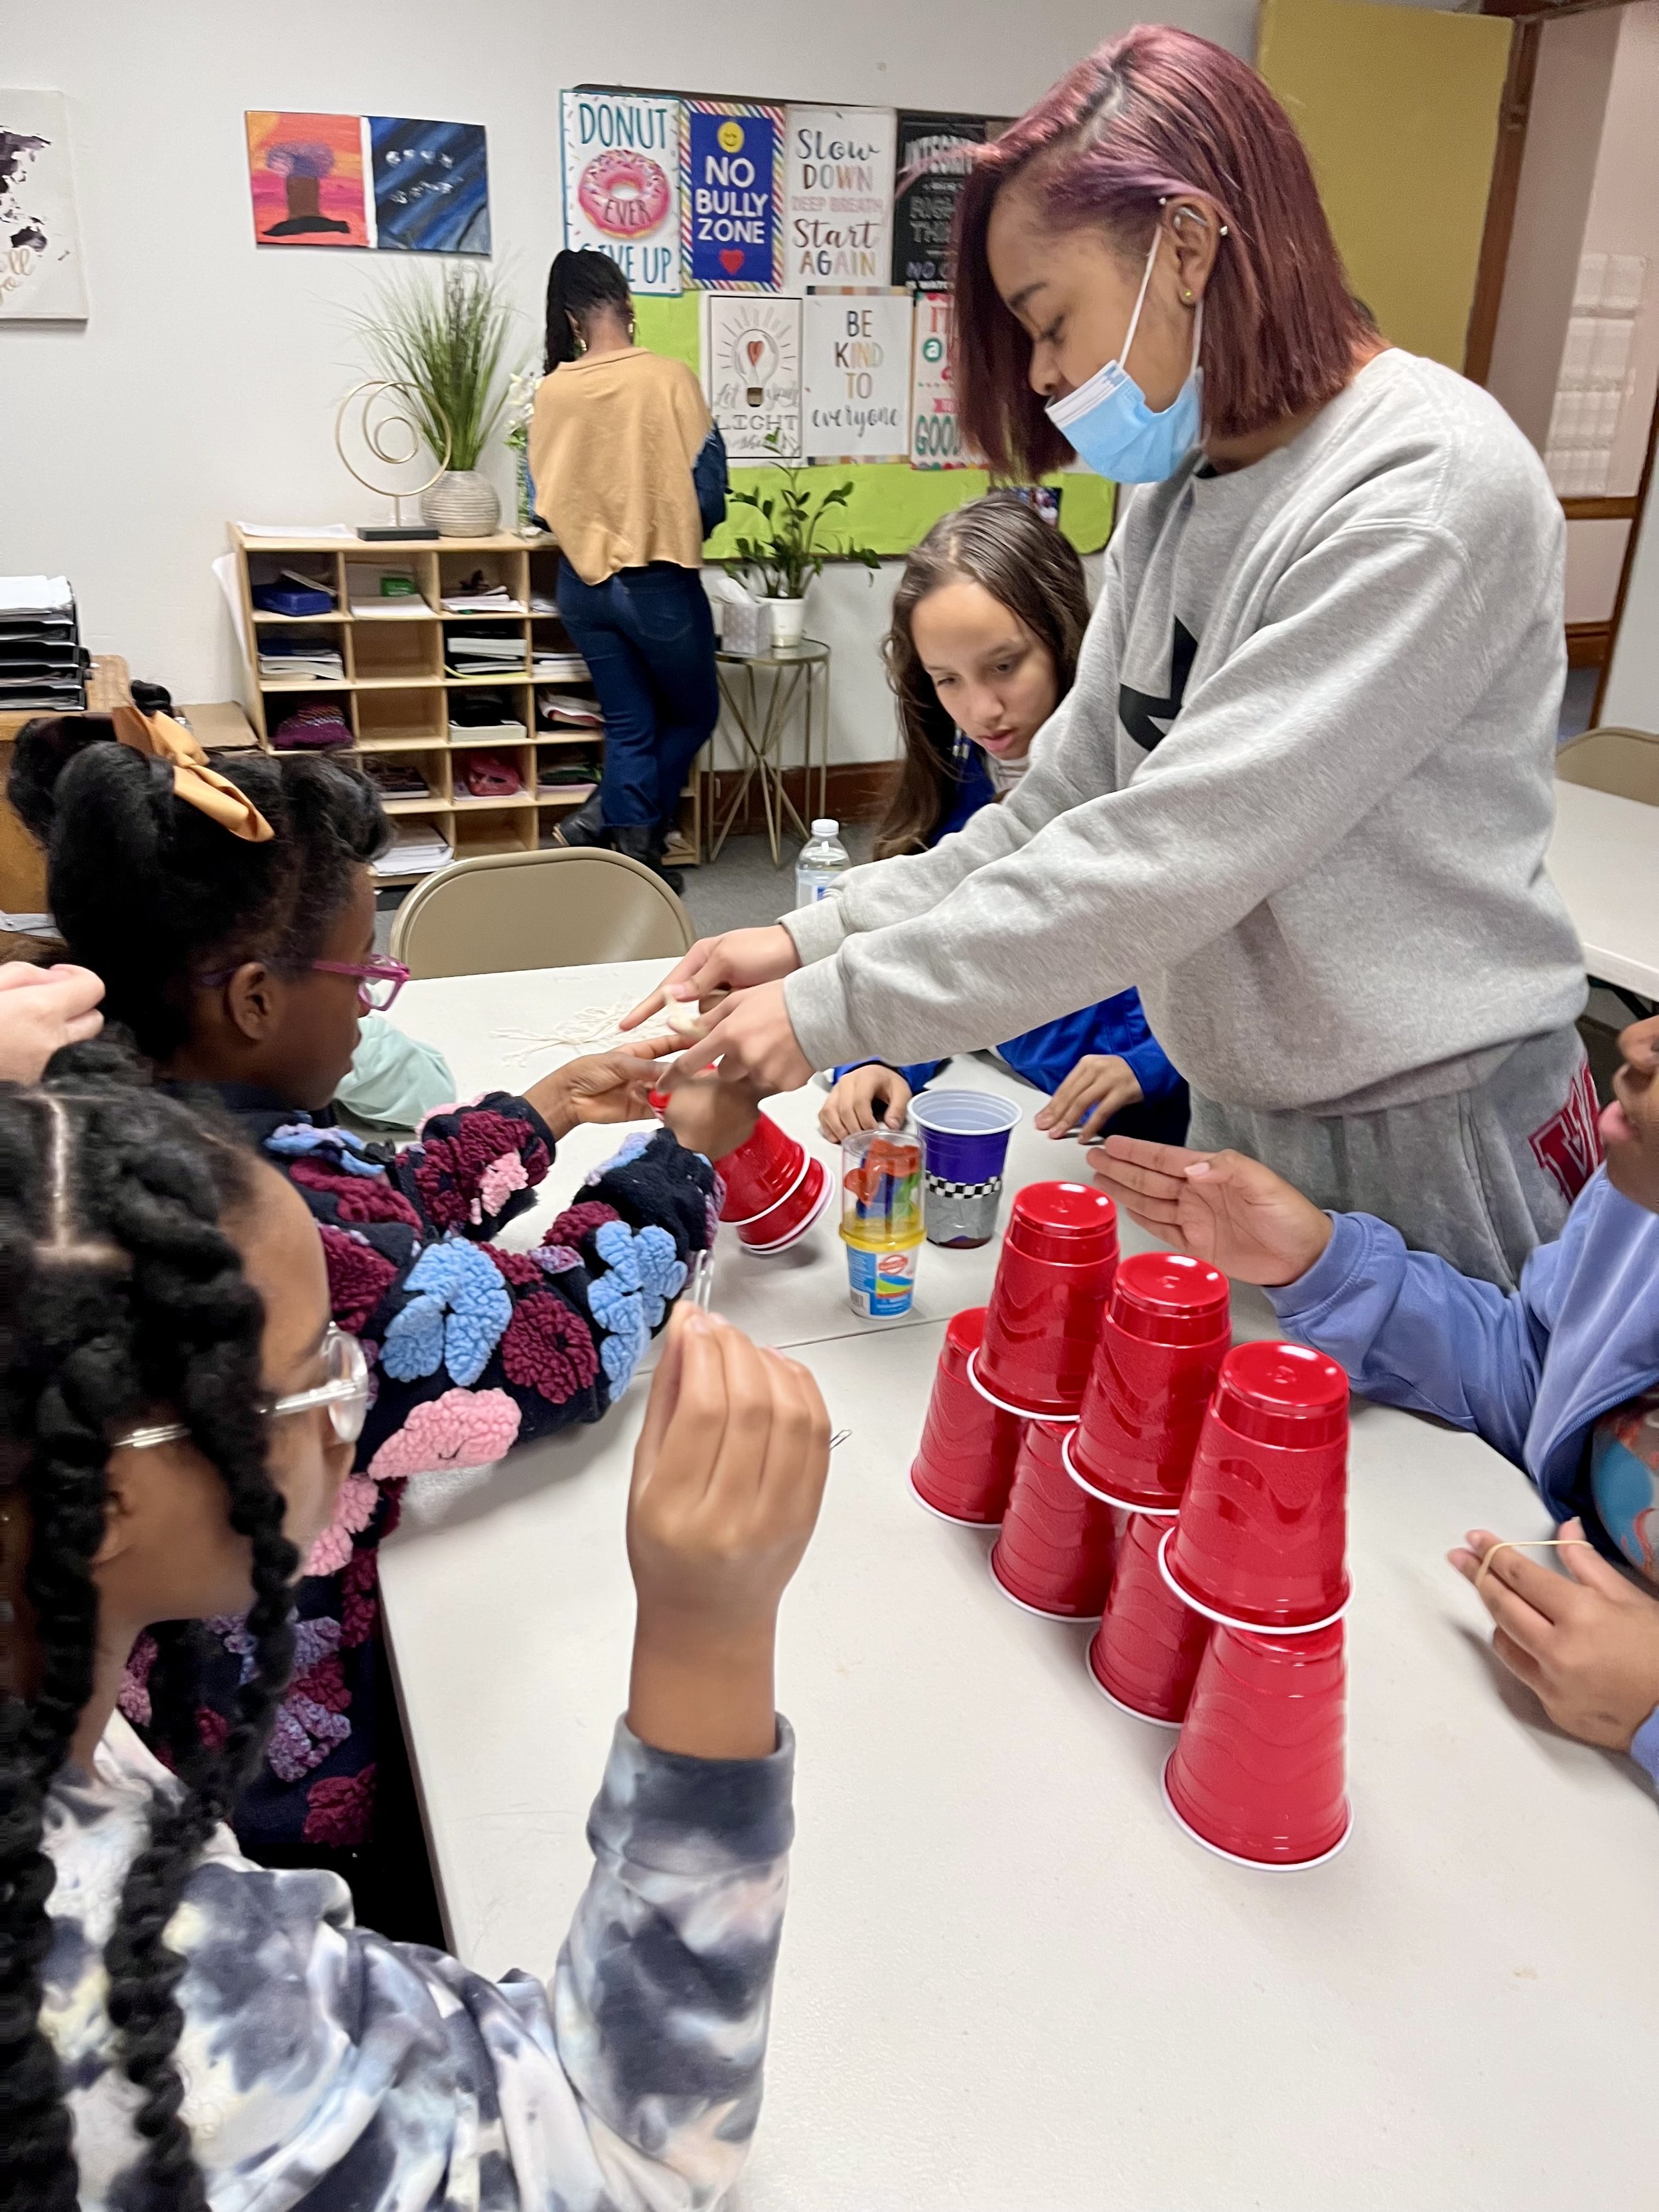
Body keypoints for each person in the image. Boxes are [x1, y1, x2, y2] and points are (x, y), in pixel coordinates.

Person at [634, 25, 1593, 1290]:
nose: (1046, 377)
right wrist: (819, 941)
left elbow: (1166, 856)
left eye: (1050, 323)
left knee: (1425, 1470)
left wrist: (830, 1011)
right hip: (1248, 1101)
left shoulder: (1419, 491)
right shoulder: (1187, 488)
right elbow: (1067, 808)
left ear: (1187, 247)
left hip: (1425, 1126)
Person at [1, 1049, 830, 2210]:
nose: (355, 1394)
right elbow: (627, 2152)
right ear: (115, 1498)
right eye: (318, 1371)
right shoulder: (165, 2007)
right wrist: (711, 1637)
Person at [9, 708, 751, 1935]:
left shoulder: (137, 1137)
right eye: (364, 975)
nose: (375, 1007)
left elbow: (368, 1214)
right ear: (253, 998)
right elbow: (541, 1345)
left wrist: (542, 1113)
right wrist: (681, 1160)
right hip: (270, 1785)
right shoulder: (234, 1244)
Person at [1095, 1007, 1659, 1781]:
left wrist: (1650, 1710)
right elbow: (1538, 1373)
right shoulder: (1637, 1211)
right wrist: (1323, 1267)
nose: (1634, 1040)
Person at [818, 494, 1185, 1147]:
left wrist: (1153, 1065)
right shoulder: (957, 774)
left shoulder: (1150, 775)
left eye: (1004, 667)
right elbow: (932, 950)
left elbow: (1235, 972)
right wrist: (875, 1056)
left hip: (1128, 1139)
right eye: (947, 680)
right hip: (1006, 1108)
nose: (981, 709)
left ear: (1065, 636)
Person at [529, 248, 726, 892]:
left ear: (570, 316)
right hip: (659, 585)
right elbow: (708, 491)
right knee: (694, 715)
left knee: (630, 723)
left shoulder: (553, 390)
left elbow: (545, 504)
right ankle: (605, 820)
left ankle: (634, 855)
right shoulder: (670, 378)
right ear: (627, 303)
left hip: (582, 587)